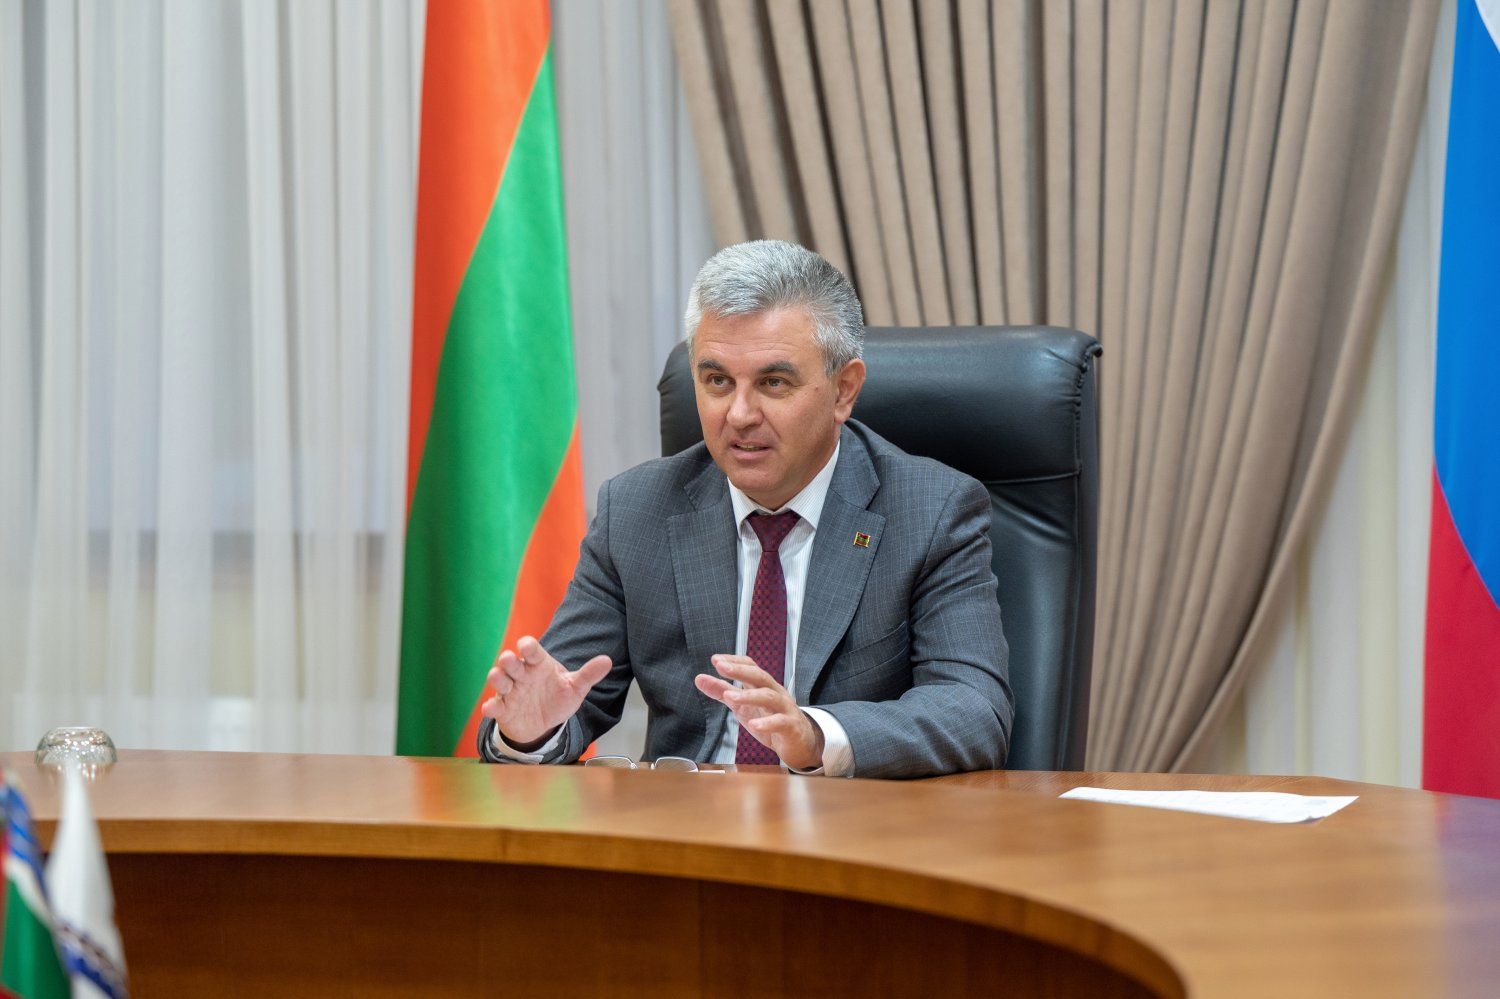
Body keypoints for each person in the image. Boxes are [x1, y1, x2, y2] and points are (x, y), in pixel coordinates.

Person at [477, 240, 1012, 778]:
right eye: (717, 381)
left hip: (850, 818)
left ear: (843, 391)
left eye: (773, 383)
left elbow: (972, 710)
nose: (738, 414)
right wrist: (529, 731)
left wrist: (814, 736)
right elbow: (567, 694)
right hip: (689, 820)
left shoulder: (931, 510)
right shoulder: (636, 511)